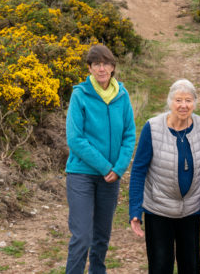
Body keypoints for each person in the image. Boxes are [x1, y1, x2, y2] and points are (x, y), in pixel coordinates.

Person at [65, 44, 136, 274]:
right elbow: (75, 139)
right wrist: (106, 167)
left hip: (111, 177)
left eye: (106, 63)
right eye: (97, 64)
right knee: (82, 237)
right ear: (90, 68)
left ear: (113, 67)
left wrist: (119, 168)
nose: (102, 68)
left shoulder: (122, 96)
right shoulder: (80, 94)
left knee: (102, 237)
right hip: (81, 175)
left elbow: (129, 135)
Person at [129, 79, 200, 274]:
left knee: (190, 266)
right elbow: (138, 170)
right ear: (170, 101)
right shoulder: (153, 127)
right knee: (160, 266)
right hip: (158, 209)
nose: (183, 105)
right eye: (178, 100)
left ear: (195, 103)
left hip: (190, 210)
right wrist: (135, 211)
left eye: (188, 100)